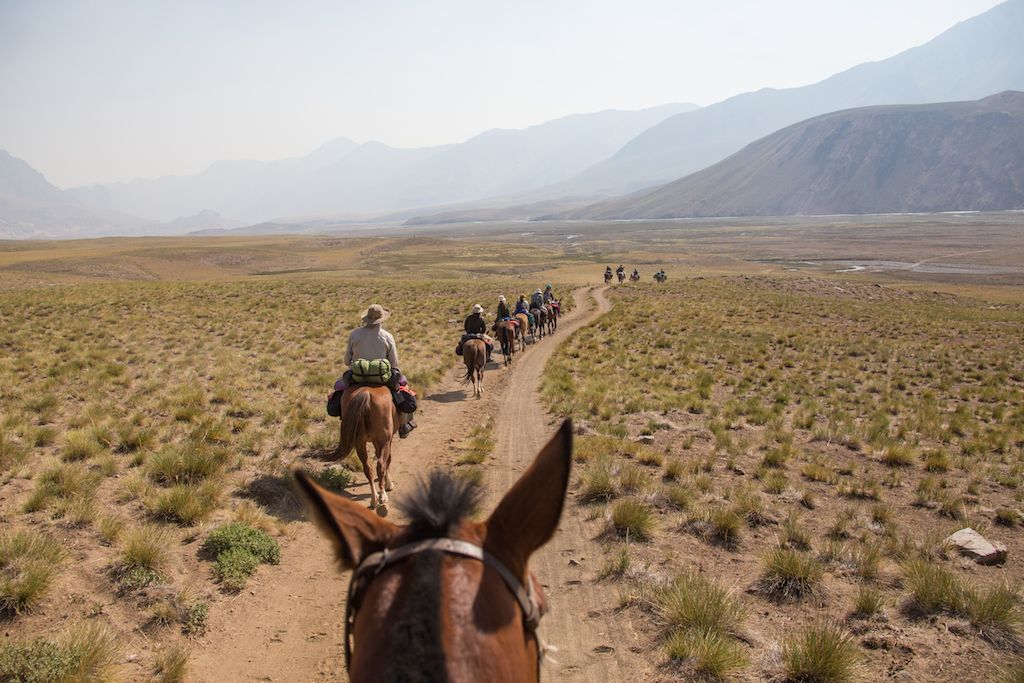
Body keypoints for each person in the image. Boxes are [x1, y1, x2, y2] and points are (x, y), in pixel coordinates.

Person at [344, 304, 416, 438]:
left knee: (340, 390)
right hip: (383, 377)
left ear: (366, 318)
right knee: (403, 388)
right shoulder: (387, 336)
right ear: (381, 320)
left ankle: (345, 420)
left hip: (357, 376)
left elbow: (347, 361)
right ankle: (404, 424)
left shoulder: (354, 334)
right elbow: (394, 363)